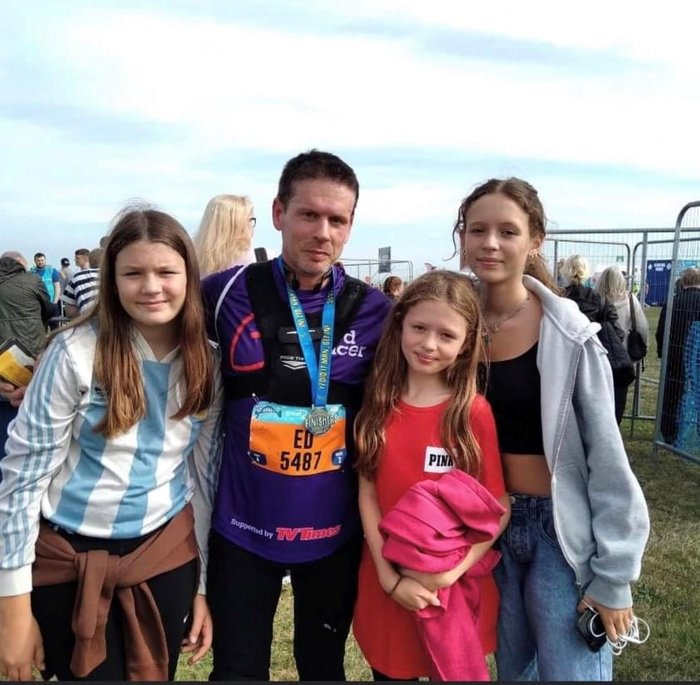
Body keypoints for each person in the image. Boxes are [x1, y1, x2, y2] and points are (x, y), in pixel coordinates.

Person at [0, 207, 222, 681]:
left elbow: (202, 479)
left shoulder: (207, 363)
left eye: (166, 272)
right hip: (67, 563)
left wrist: (202, 587)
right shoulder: (75, 352)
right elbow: (21, 481)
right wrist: (13, 607)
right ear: (111, 279)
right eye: (133, 273)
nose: (151, 286)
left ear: (189, 276)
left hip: (163, 558)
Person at [202, 149, 392, 681]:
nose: (322, 232)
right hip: (242, 529)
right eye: (309, 215)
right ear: (280, 213)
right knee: (237, 670)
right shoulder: (224, 292)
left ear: (351, 226)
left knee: (323, 668)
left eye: (338, 220)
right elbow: (143, 330)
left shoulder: (377, 311)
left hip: (333, 533)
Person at [454, 177, 650, 681]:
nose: (490, 243)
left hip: (556, 535)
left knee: (569, 672)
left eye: (507, 231)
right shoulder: (450, 325)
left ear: (535, 240)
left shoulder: (569, 334)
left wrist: (614, 577)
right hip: (483, 531)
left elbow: (606, 458)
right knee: (512, 671)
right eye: (477, 230)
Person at [352, 270, 510, 681]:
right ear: (400, 323)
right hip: (386, 583)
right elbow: (368, 493)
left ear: (466, 344)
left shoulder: (471, 413)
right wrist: (389, 580)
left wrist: (448, 573)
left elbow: (498, 508)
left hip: (447, 590)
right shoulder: (377, 403)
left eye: (446, 335)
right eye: (419, 328)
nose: (428, 344)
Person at [561, 254, 633, 423]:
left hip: (563, 362)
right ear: (586, 272)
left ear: (565, 272)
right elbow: (617, 334)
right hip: (595, 363)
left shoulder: (557, 298)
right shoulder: (601, 301)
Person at [0, 251, 54, 455]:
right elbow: (50, 310)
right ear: (21, 265)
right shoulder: (33, 280)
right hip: (31, 348)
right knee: (32, 400)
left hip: (1, 356)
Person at [596, 266, 649, 422]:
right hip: (622, 358)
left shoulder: (595, 301)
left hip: (599, 358)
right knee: (618, 399)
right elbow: (642, 328)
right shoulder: (631, 301)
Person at [656, 266, 700, 446]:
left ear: (683, 282)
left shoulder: (672, 303)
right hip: (697, 356)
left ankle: (669, 432)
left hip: (674, 355)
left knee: (672, 394)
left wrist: (662, 353)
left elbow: (661, 332)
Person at [193, 194, 256, 277]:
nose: (251, 225)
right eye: (250, 220)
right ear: (239, 224)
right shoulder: (260, 258)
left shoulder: (189, 261)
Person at [62, 248, 103, 318]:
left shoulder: (77, 277)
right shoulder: (115, 276)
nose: (75, 260)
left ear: (87, 258)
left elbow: (70, 311)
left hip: (88, 321)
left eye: (77, 258)